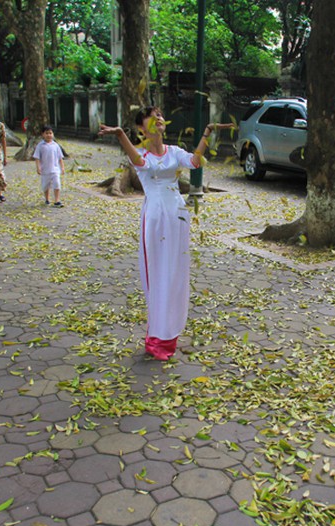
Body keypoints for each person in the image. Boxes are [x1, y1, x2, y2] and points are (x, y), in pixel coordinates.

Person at [98, 108, 235, 361]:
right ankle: (156, 338)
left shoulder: (174, 152)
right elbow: (139, 163)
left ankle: (169, 334)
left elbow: (195, 162)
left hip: (178, 215)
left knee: (175, 273)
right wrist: (119, 135)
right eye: (152, 116)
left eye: (160, 114)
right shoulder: (140, 154)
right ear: (142, 128)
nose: (159, 118)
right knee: (157, 274)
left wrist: (207, 133)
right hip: (155, 217)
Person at [33, 125, 66, 207]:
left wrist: (62, 167)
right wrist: (38, 167)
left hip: (55, 169)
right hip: (45, 169)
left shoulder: (56, 145)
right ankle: (47, 199)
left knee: (57, 184)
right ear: (43, 134)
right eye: (47, 133)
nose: (49, 135)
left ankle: (57, 200)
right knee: (45, 185)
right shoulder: (40, 146)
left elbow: (60, 157)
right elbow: (37, 157)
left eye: (50, 133)